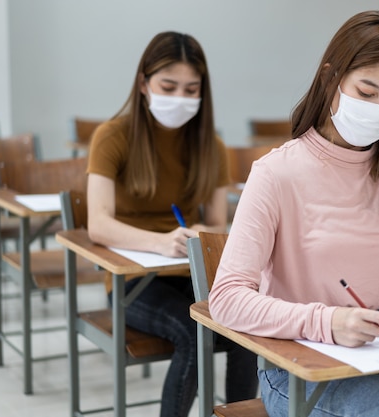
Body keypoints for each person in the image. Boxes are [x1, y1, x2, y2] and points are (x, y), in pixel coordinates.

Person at [209, 11, 379, 417]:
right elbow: (228, 299)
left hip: (378, 348)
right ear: (330, 79)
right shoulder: (277, 173)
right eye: (367, 92)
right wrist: (328, 322)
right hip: (295, 364)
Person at [86, 31, 257, 417]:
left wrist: (201, 233)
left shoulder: (211, 145)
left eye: (191, 89)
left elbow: (215, 223)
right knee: (194, 334)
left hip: (189, 272)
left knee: (247, 324)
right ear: (144, 83)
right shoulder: (112, 136)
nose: (179, 98)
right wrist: (161, 242)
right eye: (168, 86)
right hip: (132, 281)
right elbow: (98, 224)